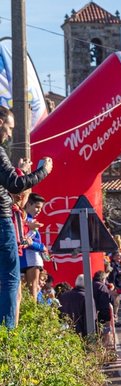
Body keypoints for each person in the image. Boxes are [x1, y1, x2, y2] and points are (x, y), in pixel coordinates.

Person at [0, 107, 51, 328]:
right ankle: (7, 335)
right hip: (2, 221)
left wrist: (19, 171)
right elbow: (15, 185)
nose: (9, 135)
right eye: (8, 128)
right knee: (11, 280)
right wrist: (43, 171)